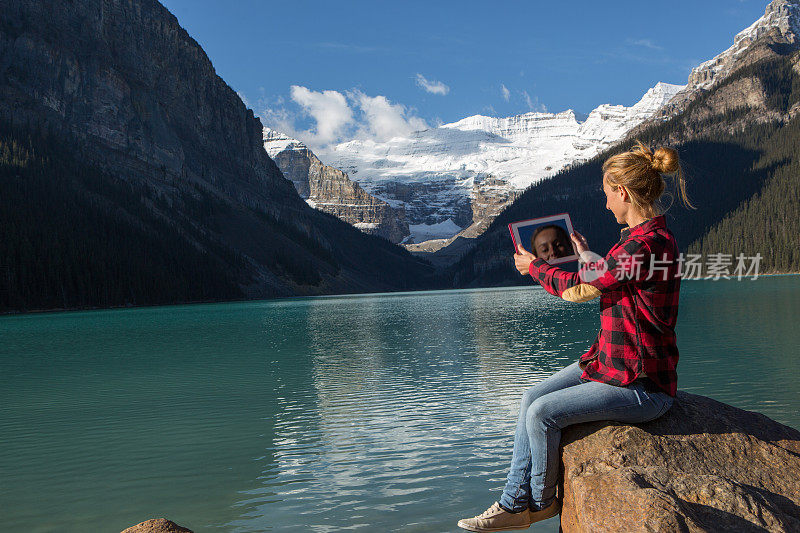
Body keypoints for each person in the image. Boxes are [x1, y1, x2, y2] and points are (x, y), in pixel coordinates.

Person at [457, 140, 695, 532]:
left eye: (606, 195)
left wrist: (535, 268)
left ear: (622, 192)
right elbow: (610, 278)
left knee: (542, 414)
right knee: (530, 396)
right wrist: (587, 256)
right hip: (611, 365)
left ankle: (539, 502)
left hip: (642, 385)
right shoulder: (642, 240)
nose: (604, 205)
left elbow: (581, 286)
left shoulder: (645, 244)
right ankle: (513, 501)